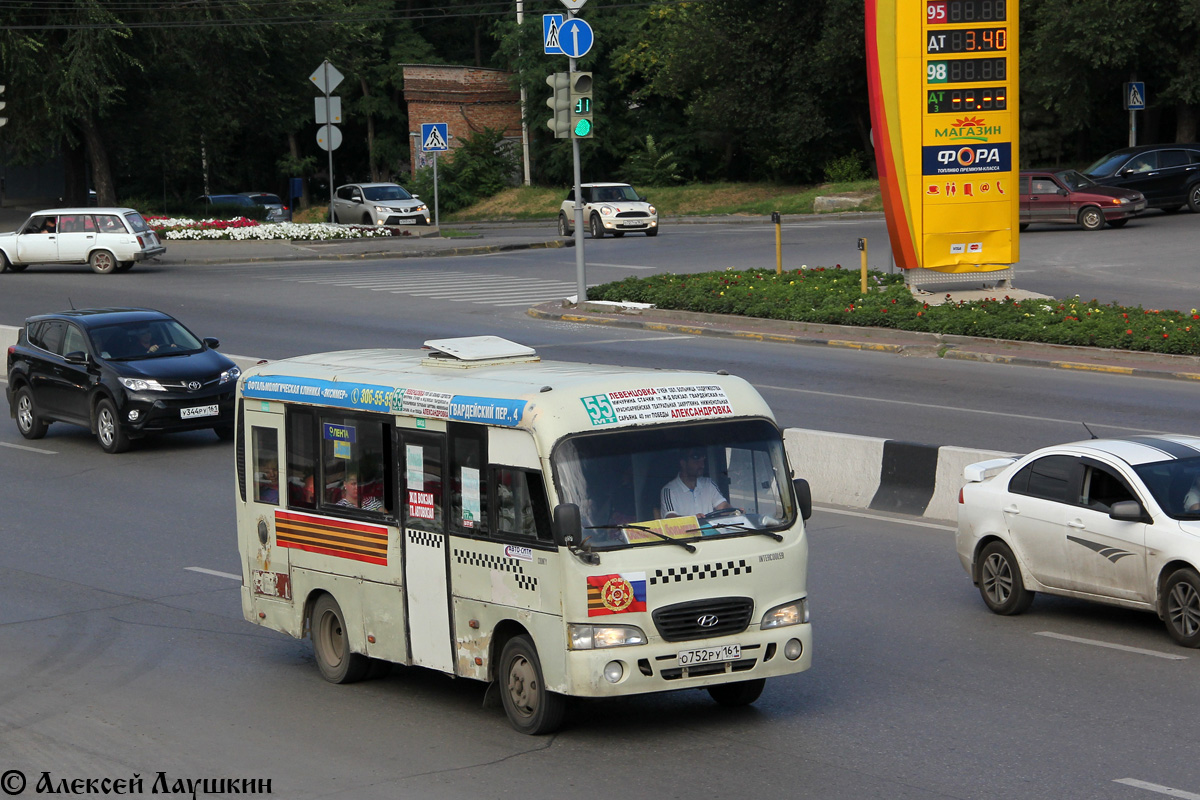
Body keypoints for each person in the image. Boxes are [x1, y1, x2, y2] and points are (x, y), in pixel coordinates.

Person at [658, 448, 731, 518]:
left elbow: (723, 506)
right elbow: (670, 518)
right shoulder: (669, 490)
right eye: (696, 461)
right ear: (683, 463)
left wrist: (734, 512)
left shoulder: (708, 484)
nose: (702, 465)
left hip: (710, 530)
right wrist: (693, 519)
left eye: (703, 461)